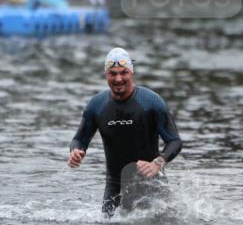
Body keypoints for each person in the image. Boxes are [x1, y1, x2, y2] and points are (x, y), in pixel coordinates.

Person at [68, 47, 182, 215]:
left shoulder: (151, 102)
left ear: (132, 73)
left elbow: (175, 141)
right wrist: (75, 151)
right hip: (115, 187)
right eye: (112, 73)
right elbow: (79, 140)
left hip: (152, 185)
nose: (118, 78)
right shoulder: (97, 105)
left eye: (124, 72)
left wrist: (158, 163)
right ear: (106, 75)